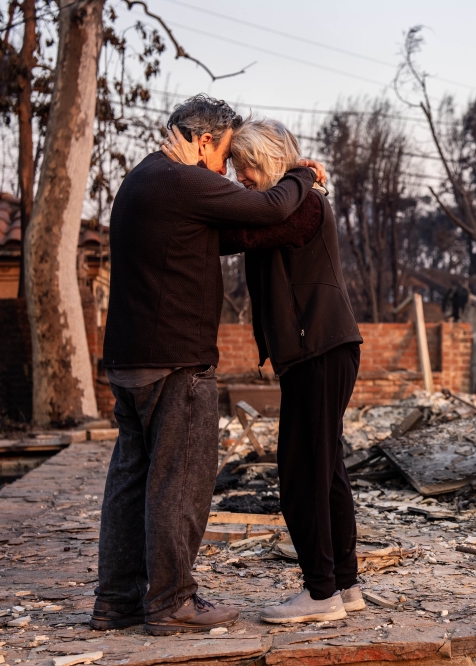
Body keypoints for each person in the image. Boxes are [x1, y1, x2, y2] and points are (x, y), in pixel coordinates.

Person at [95, 95, 327, 636]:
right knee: (180, 482)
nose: (226, 172)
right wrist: (300, 174)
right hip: (176, 360)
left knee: (131, 482)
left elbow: (227, 233)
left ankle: (117, 602)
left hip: (129, 361)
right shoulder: (185, 180)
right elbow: (269, 210)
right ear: (202, 142)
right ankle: (172, 601)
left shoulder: (141, 180)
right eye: (223, 156)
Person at [162, 117, 365, 623]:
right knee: (327, 470)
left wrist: (298, 175)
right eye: (234, 167)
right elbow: (239, 229)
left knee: (302, 474)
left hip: (320, 350)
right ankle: (344, 584)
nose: (240, 177)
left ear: (269, 160)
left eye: (245, 166)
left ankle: (320, 595)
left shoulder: (306, 205)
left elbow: (240, 234)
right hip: (317, 352)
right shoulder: (294, 201)